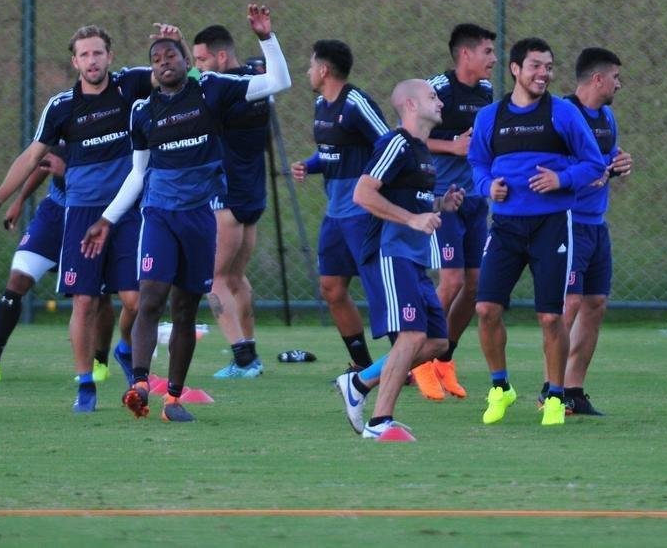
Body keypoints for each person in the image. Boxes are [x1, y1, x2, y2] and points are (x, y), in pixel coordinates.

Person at [82, 4, 291, 423]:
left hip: (200, 217)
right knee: (150, 299)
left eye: (172, 56)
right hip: (159, 215)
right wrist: (107, 218)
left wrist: (267, 38)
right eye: (156, 60)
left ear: (184, 61)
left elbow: (278, 82)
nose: (164, 64)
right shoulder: (142, 113)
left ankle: (173, 398)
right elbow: (138, 174)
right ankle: (139, 383)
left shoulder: (211, 88)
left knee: (184, 310)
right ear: (151, 69)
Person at [0, 26, 155, 412]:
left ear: (109, 55)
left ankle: (121, 348)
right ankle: (85, 385)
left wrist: (178, 40)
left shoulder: (130, 87)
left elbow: (174, 75)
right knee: (83, 302)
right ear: (75, 62)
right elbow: (31, 157)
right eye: (84, 55)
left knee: (136, 300)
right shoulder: (61, 106)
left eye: (98, 53)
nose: (92, 60)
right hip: (81, 213)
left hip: (125, 209)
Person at [467, 37, 606, 427]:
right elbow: (478, 162)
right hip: (507, 226)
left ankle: (556, 397)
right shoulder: (490, 117)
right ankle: (500, 387)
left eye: (548, 66)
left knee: (551, 318)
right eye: (535, 66)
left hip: (551, 226)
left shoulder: (562, 114)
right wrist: (486, 187)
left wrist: (562, 179)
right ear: (515, 69)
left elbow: (594, 164)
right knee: (486, 308)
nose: (543, 73)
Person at [333, 79, 465, 439]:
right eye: (432, 97)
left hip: (414, 259)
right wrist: (412, 220)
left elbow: (413, 202)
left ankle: (359, 384)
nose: (439, 102)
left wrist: (440, 205)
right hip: (390, 254)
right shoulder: (396, 143)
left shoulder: (422, 152)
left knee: (437, 342)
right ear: (409, 104)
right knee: (411, 334)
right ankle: (379, 424)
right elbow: (362, 193)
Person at [535, 48, 634, 416]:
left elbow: (605, 162)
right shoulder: (561, 115)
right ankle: (552, 387)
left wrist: (620, 164)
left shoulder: (607, 117)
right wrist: (583, 176)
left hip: (597, 224)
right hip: (568, 222)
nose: (618, 84)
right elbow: (549, 169)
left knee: (594, 304)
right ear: (597, 79)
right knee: (569, 303)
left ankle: (573, 390)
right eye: (615, 77)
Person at [290, 40, 389, 371]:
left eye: (310, 64)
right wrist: (311, 164)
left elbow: (390, 145)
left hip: (362, 213)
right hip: (335, 214)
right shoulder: (322, 104)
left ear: (324, 69)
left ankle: (406, 364)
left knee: (380, 291)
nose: (307, 71)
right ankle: (362, 365)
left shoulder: (357, 103)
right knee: (331, 288)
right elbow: (333, 152)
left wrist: (373, 188)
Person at [411, 23, 497, 400]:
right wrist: (451, 146)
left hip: (476, 201)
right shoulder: (437, 90)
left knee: (475, 286)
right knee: (451, 282)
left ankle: (444, 357)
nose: (494, 59)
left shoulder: (486, 91)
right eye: (488, 52)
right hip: (443, 200)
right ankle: (416, 361)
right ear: (466, 54)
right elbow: (410, 135)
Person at [191, 24, 269, 379]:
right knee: (237, 277)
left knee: (215, 278)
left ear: (221, 56)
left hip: (225, 193)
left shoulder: (223, 88)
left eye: (202, 59)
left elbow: (187, 87)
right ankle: (250, 356)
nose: (199, 66)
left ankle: (241, 358)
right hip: (252, 191)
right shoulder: (257, 82)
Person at [0, 145, 75, 381]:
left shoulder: (116, 120)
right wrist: (19, 200)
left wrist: (66, 171)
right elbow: (44, 161)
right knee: (17, 279)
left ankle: (99, 362)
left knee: (90, 295)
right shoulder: (62, 112)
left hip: (89, 214)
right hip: (53, 216)